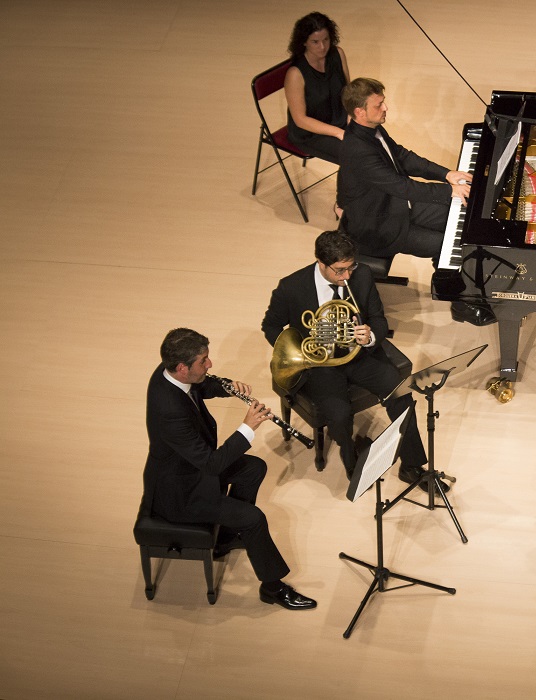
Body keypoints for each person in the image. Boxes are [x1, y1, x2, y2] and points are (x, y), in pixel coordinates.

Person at [139, 328, 317, 610]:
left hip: (190, 469)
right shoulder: (168, 410)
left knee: (253, 468)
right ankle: (272, 587)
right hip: (180, 493)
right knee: (254, 518)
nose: (209, 365)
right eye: (203, 361)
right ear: (182, 367)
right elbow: (212, 464)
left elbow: (199, 386)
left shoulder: (170, 372)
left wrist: (227, 386)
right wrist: (248, 426)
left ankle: (225, 538)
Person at [261, 230, 437, 489]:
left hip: (359, 357)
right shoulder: (291, 286)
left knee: (401, 394)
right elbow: (270, 325)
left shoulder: (362, 274)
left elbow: (378, 318)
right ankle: (351, 459)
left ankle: (411, 465)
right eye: (339, 271)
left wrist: (371, 335)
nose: (347, 277)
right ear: (321, 262)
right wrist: (299, 350)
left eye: (350, 268)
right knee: (339, 414)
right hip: (320, 366)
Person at [336, 77, 493, 326]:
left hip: (394, 207)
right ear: (359, 112)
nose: (385, 108)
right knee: (445, 244)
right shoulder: (357, 149)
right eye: (379, 105)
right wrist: (448, 191)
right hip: (377, 226)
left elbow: (402, 157)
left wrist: (446, 174)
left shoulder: (372, 130)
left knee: (458, 216)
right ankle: (459, 303)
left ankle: (460, 282)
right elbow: (400, 186)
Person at [284, 12, 351, 164]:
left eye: (326, 40)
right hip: (311, 133)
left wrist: (351, 116)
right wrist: (338, 133)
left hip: (339, 120)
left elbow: (348, 91)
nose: (322, 47)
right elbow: (301, 120)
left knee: (377, 140)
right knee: (357, 155)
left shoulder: (338, 54)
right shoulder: (295, 74)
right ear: (304, 42)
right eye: (315, 42)